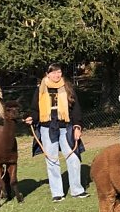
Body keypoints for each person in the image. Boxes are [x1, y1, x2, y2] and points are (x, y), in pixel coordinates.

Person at [24, 63, 88, 202]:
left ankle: (77, 190)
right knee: (52, 159)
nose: (56, 75)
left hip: (66, 126)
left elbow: (76, 108)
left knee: (73, 157)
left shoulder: (67, 87)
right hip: (47, 128)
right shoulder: (40, 89)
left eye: (58, 72)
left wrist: (77, 126)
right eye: (53, 73)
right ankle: (57, 193)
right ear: (47, 74)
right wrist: (31, 118)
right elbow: (35, 110)